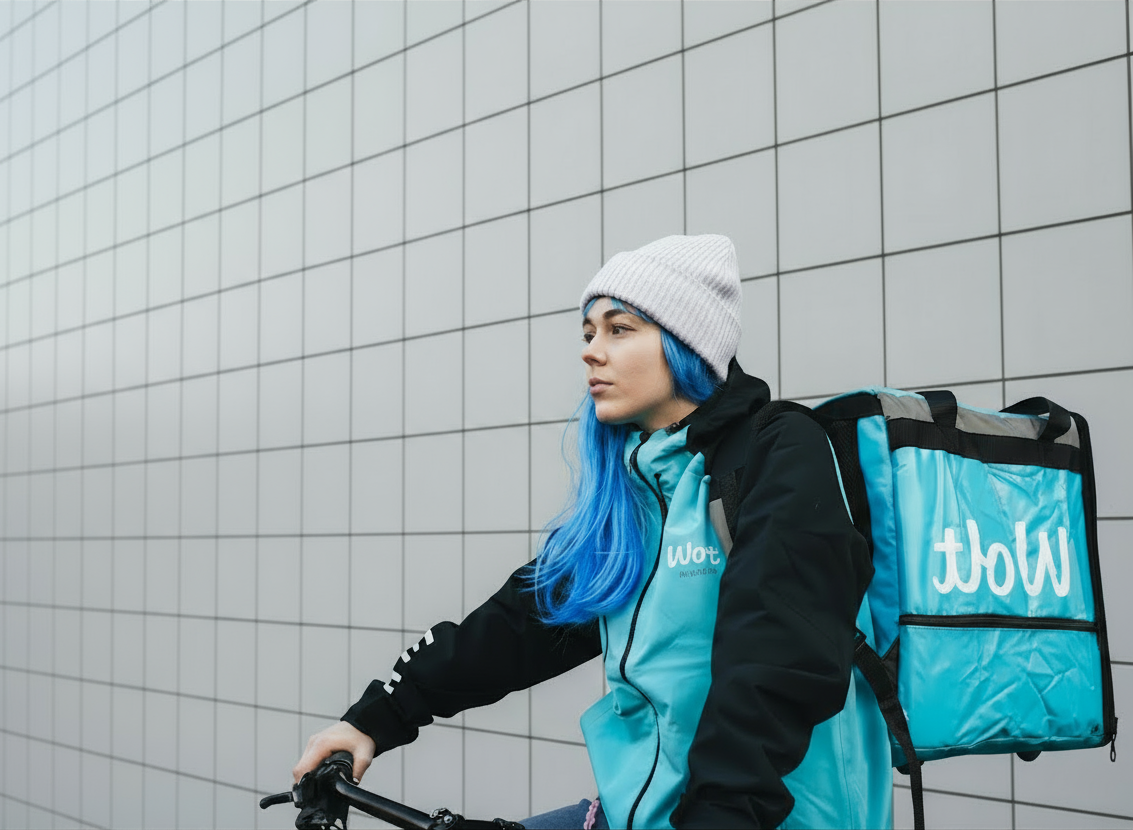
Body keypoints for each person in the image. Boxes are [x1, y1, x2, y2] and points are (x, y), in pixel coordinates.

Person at [292, 235, 893, 829]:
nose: (591, 352)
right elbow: (523, 622)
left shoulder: (776, 453)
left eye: (619, 329)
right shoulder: (638, 487)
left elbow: (775, 665)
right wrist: (376, 717)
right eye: (588, 334)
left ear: (687, 342)